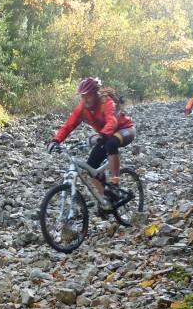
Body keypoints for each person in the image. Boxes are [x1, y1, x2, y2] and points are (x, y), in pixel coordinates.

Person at [47, 77, 136, 210]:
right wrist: (55, 141)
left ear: (96, 94)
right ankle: (105, 201)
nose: (85, 100)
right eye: (83, 97)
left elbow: (112, 122)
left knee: (111, 143)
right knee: (90, 168)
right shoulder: (81, 109)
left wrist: (100, 136)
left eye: (88, 96)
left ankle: (115, 183)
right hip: (105, 136)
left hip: (125, 130)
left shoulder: (106, 102)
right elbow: (68, 126)